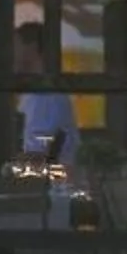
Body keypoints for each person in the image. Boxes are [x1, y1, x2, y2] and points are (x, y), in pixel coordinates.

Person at [13, 18, 78, 170]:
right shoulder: (38, 94)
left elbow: (36, 155)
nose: (11, 54)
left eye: (15, 46)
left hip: (49, 188)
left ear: (31, 48)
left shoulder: (43, 96)